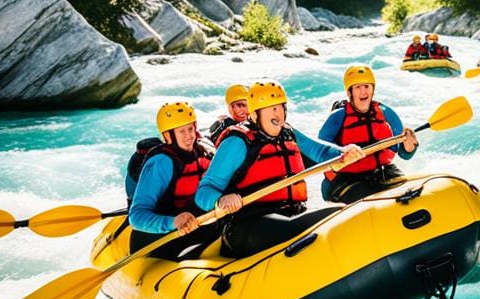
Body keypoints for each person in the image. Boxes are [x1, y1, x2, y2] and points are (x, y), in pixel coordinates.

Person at [194, 80, 365, 258]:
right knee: (318, 220)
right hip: (247, 224)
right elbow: (203, 192)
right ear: (255, 114)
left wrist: (343, 153)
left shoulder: (288, 132)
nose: (278, 113)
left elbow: (320, 151)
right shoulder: (237, 142)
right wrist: (220, 200)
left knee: (341, 213)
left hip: (290, 213)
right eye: (270, 108)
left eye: (280, 107)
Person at [128, 101, 219, 259]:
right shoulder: (162, 163)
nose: (188, 136)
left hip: (193, 222)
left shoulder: (203, 153)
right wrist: (173, 222)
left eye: (190, 129)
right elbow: (136, 216)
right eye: (181, 131)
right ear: (167, 136)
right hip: (158, 233)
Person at [318, 65, 419, 204]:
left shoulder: (386, 112)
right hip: (346, 178)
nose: (363, 92)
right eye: (358, 87)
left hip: (382, 172)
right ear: (349, 92)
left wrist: (409, 146)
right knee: (369, 199)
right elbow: (319, 151)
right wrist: (340, 154)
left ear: (373, 89)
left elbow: (404, 154)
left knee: (410, 194)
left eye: (367, 86)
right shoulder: (338, 117)